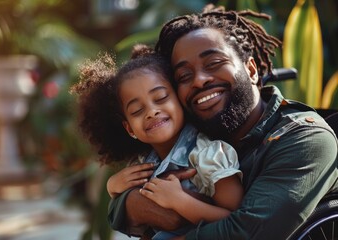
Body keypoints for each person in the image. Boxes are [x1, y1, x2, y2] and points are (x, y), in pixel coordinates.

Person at [107, 4, 338, 240]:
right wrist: (129, 201)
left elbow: (247, 233)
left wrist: (173, 210)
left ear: (251, 70)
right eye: (184, 76)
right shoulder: (195, 138)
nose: (199, 80)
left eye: (214, 63)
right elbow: (128, 203)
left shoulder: (305, 139)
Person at [70, 44, 244, 239]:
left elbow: (236, 220)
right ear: (129, 129)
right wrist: (113, 187)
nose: (152, 112)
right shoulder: (142, 165)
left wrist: (179, 201)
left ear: (180, 100)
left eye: (160, 98)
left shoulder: (208, 153)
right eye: (137, 111)